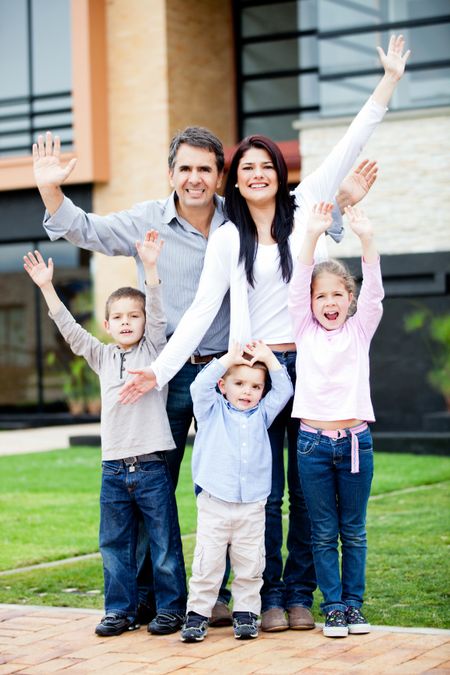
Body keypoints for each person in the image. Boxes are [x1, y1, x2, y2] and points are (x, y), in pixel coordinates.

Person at [119, 36, 410, 632]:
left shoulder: (305, 209)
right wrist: (162, 368)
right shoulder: (228, 238)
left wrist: (388, 83)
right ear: (238, 179)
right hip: (254, 374)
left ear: (279, 173)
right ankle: (268, 594)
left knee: (305, 494)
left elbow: (353, 139)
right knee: (261, 490)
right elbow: (201, 310)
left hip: (307, 371)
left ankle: (297, 593)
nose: (255, 174)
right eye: (245, 168)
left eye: (264, 166)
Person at [32, 122, 367, 628]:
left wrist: (339, 204)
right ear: (171, 173)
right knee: (152, 486)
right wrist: (50, 188)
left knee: (239, 485)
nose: (194, 178)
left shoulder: (237, 218)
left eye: (204, 169)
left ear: (219, 175)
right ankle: (150, 600)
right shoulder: (149, 219)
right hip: (167, 377)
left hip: (235, 376)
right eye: (185, 168)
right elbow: (87, 230)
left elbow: (291, 220)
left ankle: (235, 594)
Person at [23, 231, 187, 637]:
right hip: (113, 469)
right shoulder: (101, 355)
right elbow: (69, 329)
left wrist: (150, 269)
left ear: (144, 322)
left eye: (135, 316)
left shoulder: (153, 352)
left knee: (164, 544)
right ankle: (119, 611)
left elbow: (160, 313)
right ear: (108, 324)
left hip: (151, 465)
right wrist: (47, 288)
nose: (127, 322)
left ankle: (170, 609)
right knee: (114, 545)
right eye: (119, 317)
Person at [288, 202, 383, 638]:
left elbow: (375, 294)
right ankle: (334, 609)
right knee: (323, 533)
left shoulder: (360, 329)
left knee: (354, 531)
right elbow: (296, 284)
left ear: (349, 298)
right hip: (311, 445)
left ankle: (355, 606)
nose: (329, 302)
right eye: (320, 295)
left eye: (337, 295)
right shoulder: (304, 330)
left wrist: (367, 240)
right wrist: (310, 234)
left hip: (355, 444)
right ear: (311, 303)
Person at [180, 341, 293, 642]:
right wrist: (227, 358)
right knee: (208, 562)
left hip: (251, 504)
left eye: (255, 387)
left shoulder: (263, 415)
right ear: (223, 385)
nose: (247, 391)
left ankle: (246, 613)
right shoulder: (210, 410)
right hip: (215, 501)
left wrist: (270, 359)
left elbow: (284, 390)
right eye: (239, 383)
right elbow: (197, 386)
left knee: (250, 562)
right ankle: (197, 615)